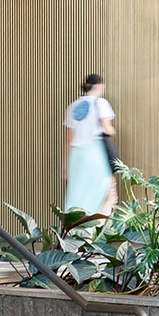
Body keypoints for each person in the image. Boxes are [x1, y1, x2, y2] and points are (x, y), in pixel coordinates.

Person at [62, 74, 117, 217]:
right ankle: (95, 227)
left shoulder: (73, 106)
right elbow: (107, 128)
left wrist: (66, 164)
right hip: (95, 152)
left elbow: (69, 138)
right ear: (98, 86)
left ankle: (76, 228)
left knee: (78, 197)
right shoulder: (100, 103)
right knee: (107, 195)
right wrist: (112, 131)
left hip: (76, 156)